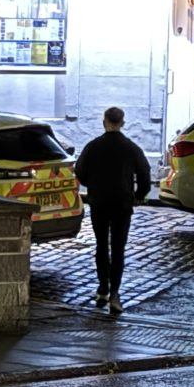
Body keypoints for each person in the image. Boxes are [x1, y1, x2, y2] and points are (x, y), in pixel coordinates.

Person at [73, 107, 151, 315]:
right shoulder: (131, 148)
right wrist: (138, 196)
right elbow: (145, 175)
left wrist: (93, 186)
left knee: (101, 245)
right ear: (122, 123)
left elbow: (80, 172)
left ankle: (102, 288)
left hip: (99, 202)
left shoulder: (93, 147)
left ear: (104, 121)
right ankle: (115, 294)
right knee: (118, 248)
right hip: (122, 203)